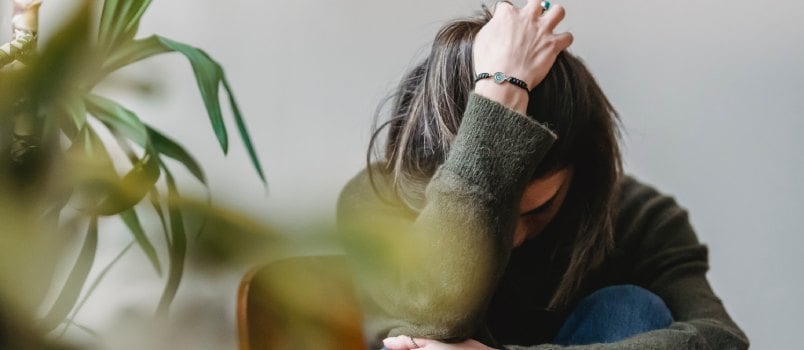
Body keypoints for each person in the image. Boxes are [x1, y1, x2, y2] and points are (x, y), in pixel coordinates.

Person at [336, 1, 748, 349]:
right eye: (503, 209)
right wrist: (502, 92)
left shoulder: (636, 216)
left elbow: (720, 340)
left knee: (628, 307)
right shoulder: (376, 200)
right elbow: (433, 317)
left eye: (538, 208)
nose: (513, 235)